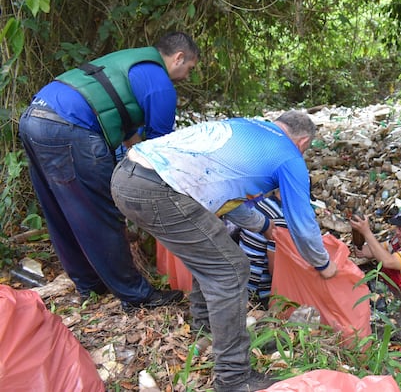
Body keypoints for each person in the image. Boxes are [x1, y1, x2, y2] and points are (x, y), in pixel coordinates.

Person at [110, 111, 338, 392]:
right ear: (303, 142)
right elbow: (303, 225)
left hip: (126, 176)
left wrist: (264, 225)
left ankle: (206, 327)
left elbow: (225, 199)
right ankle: (234, 379)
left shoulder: (248, 128)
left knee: (212, 256)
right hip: (158, 189)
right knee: (231, 270)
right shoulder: (289, 156)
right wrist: (323, 264)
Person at [18, 32, 200, 310]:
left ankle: (89, 285)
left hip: (34, 118)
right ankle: (136, 296)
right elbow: (160, 150)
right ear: (178, 57)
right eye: (190, 68)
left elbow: (131, 140)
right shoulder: (161, 84)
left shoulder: (128, 64)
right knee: (101, 213)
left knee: (61, 212)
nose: (187, 76)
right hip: (70, 127)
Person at [238, 194, 288, 308]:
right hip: (256, 289)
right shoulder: (280, 218)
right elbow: (275, 270)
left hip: (241, 276)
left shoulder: (263, 203)